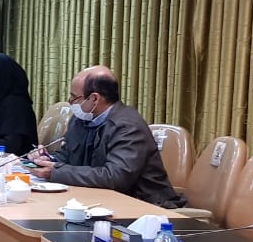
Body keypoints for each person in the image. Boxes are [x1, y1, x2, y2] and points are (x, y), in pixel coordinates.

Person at [29, 65, 186, 208]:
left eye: (74, 98)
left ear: (94, 98)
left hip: (144, 207)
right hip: (97, 201)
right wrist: (46, 159)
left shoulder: (128, 126)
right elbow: (68, 156)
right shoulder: (80, 119)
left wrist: (56, 171)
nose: (71, 103)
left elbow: (115, 177)